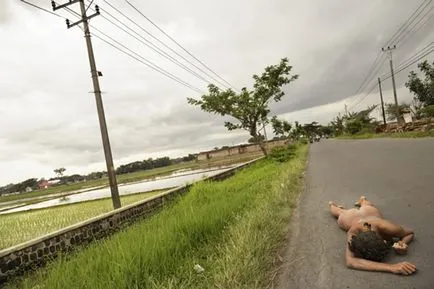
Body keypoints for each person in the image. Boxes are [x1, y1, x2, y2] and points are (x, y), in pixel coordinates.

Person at [328, 196, 416, 275]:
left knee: (367, 205)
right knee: (338, 212)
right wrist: (391, 267)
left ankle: (362, 200)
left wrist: (403, 242)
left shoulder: (386, 227)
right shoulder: (353, 233)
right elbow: (350, 262)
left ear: (384, 240)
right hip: (350, 217)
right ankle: (332, 205)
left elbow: (410, 232)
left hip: (370, 213)